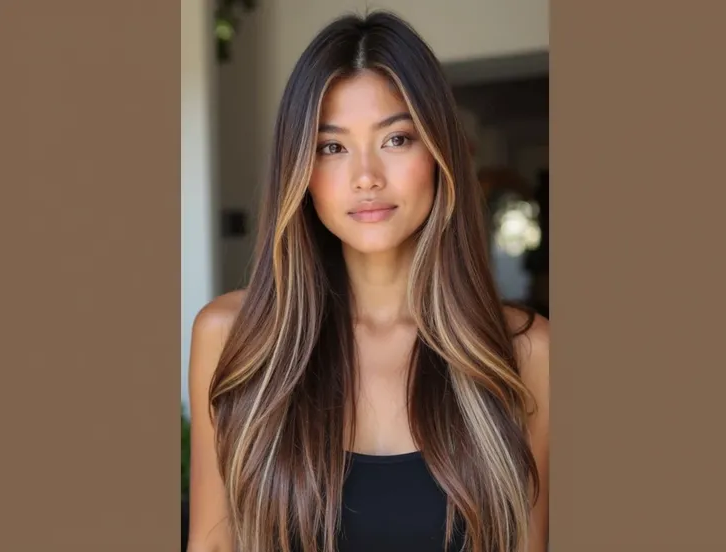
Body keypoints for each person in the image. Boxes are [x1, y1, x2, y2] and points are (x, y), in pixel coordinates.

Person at [187, 10, 549, 552]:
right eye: (331, 147)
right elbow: (213, 545)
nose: (365, 177)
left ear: (441, 153)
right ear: (300, 173)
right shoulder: (235, 337)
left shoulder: (525, 352)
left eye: (396, 139)